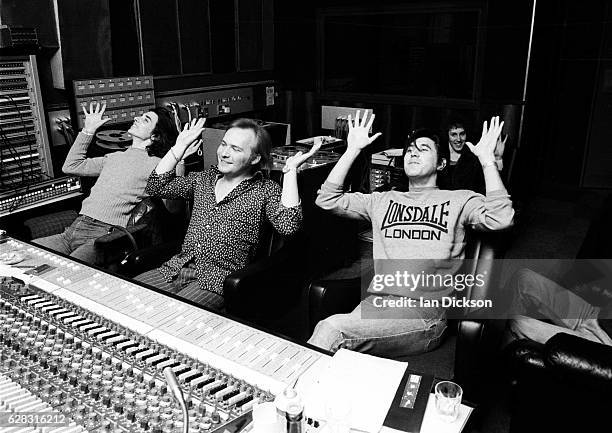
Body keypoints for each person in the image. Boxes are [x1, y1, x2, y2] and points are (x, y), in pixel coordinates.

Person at [307, 112, 514, 358]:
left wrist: (488, 161)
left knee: (331, 329)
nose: (413, 153)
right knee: (341, 356)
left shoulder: (459, 198)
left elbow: (501, 218)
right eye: (410, 150)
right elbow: (327, 199)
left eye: (423, 149)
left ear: (441, 164)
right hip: (376, 305)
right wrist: (352, 150)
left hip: (424, 314)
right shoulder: (382, 200)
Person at [135, 118, 318, 310]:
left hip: (216, 280)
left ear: (255, 158)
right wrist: (179, 147)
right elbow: (156, 186)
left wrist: (290, 173)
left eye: (236, 149)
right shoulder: (204, 179)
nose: (224, 153)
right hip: (176, 268)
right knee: (124, 296)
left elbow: (289, 227)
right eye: (223, 145)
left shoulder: (265, 189)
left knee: (171, 314)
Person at [34, 102, 178, 265]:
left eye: (146, 120)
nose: (137, 118)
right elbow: (71, 166)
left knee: (66, 271)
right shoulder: (114, 157)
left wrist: (177, 159)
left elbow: (173, 206)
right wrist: (88, 130)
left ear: (155, 136)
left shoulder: (159, 165)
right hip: (74, 229)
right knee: (24, 254)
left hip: (103, 236)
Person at [506, 268, 612, 346]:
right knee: (524, 278)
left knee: (518, 324)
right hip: (597, 314)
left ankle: (499, 365)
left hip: (603, 341)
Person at [439, 120, 506, 194]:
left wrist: (498, 158)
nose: (458, 139)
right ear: (447, 135)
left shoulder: (475, 155)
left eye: (462, 134)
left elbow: (493, 185)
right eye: (454, 135)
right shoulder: (439, 155)